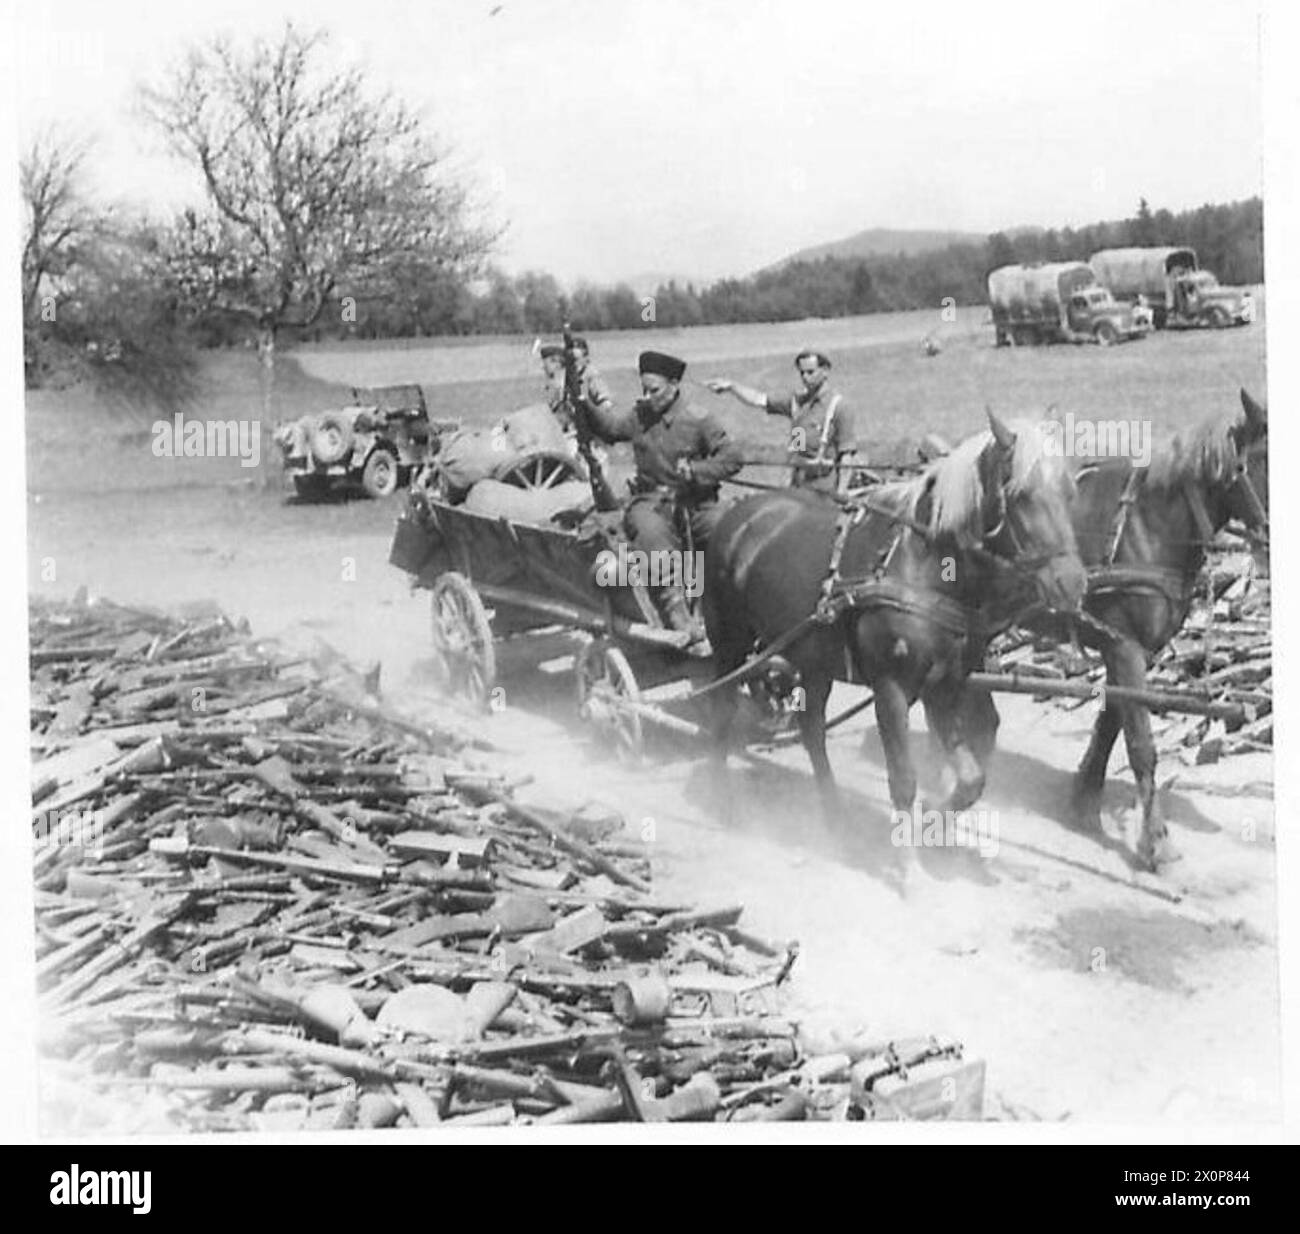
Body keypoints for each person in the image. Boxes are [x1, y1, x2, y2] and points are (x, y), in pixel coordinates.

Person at [584, 350, 742, 650]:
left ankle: (731, 603)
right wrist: (584, 403)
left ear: (673, 384)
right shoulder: (640, 416)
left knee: (727, 528)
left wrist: (697, 470)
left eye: (654, 390)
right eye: (644, 389)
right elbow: (611, 429)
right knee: (651, 533)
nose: (648, 396)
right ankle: (677, 612)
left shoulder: (699, 419)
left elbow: (733, 457)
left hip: (697, 502)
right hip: (651, 501)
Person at [708, 349, 861, 495]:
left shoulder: (839, 407)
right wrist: (732, 387)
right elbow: (759, 400)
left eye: (810, 372)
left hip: (825, 486)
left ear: (825, 371)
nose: (805, 378)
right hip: (798, 484)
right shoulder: (797, 403)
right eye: (802, 373)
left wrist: (842, 492)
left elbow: (846, 455)